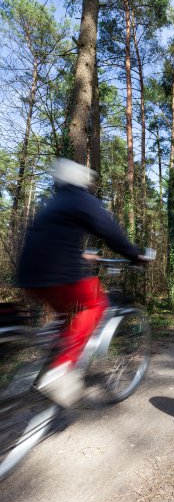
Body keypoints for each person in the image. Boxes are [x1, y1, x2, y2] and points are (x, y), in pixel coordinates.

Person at [17, 158, 150, 407]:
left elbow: (49, 240)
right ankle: (63, 368)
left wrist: (82, 254)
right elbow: (110, 232)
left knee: (64, 314)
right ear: (81, 182)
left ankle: (52, 347)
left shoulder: (52, 204)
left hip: (28, 274)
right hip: (57, 274)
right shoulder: (82, 199)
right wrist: (134, 254)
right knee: (94, 305)